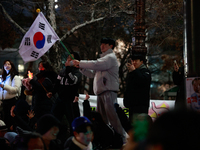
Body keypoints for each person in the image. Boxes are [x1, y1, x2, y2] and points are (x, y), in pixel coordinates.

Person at [72, 38, 125, 142]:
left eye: (105, 44)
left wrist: (81, 63)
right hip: (101, 93)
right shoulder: (103, 60)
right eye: (101, 44)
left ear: (111, 46)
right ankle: (106, 139)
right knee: (102, 120)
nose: (102, 46)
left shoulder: (110, 58)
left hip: (109, 92)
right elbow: (92, 73)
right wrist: (81, 67)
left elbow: (96, 64)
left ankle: (122, 140)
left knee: (113, 118)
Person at [47, 52, 82, 135]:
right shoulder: (63, 71)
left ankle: (72, 139)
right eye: (68, 58)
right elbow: (57, 83)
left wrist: (68, 69)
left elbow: (72, 80)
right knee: (54, 118)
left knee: (72, 120)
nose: (68, 59)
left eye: (71, 58)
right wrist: (52, 92)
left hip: (70, 100)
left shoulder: (78, 72)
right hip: (60, 99)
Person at [123, 54, 151, 120]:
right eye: (133, 61)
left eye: (136, 61)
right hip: (132, 105)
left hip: (141, 105)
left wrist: (135, 71)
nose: (134, 62)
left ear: (141, 62)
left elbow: (142, 81)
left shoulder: (146, 72)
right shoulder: (132, 73)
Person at [0, 60, 22, 130]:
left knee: (11, 121)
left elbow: (15, 90)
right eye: (5, 64)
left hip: (12, 102)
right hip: (4, 103)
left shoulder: (15, 77)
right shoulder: (2, 78)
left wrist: (4, 86)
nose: (7, 65)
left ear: (12, 66)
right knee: (5, 121)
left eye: (9, 64)